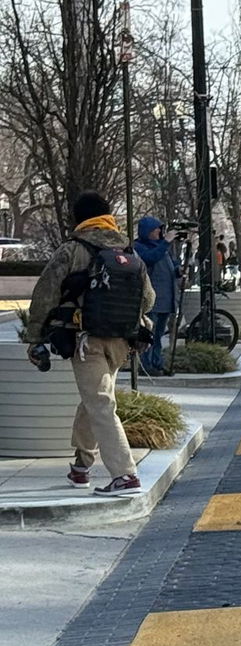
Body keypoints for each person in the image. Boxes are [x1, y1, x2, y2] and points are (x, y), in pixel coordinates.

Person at [22, 192, 154, 497]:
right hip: (122, 341)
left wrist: (35, 337)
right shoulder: (128, 251)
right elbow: (148, 300)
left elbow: (45, 296)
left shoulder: (72, 250)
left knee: (100, 403)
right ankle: (81, 466)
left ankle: (125, 476)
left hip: (85, 340)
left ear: (79, 218)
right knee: (97, 398)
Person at [133, 215, 179, 375]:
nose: (159, 232)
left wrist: (178, 270)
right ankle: (146, 365)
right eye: (155, 229)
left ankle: (157, 362)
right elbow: (150, 258)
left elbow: (172, 263)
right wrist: (166, 242)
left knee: (159, 335)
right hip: (152, 299)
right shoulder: (139, 247)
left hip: (167, 298)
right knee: (149, 334)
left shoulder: (162, 247)